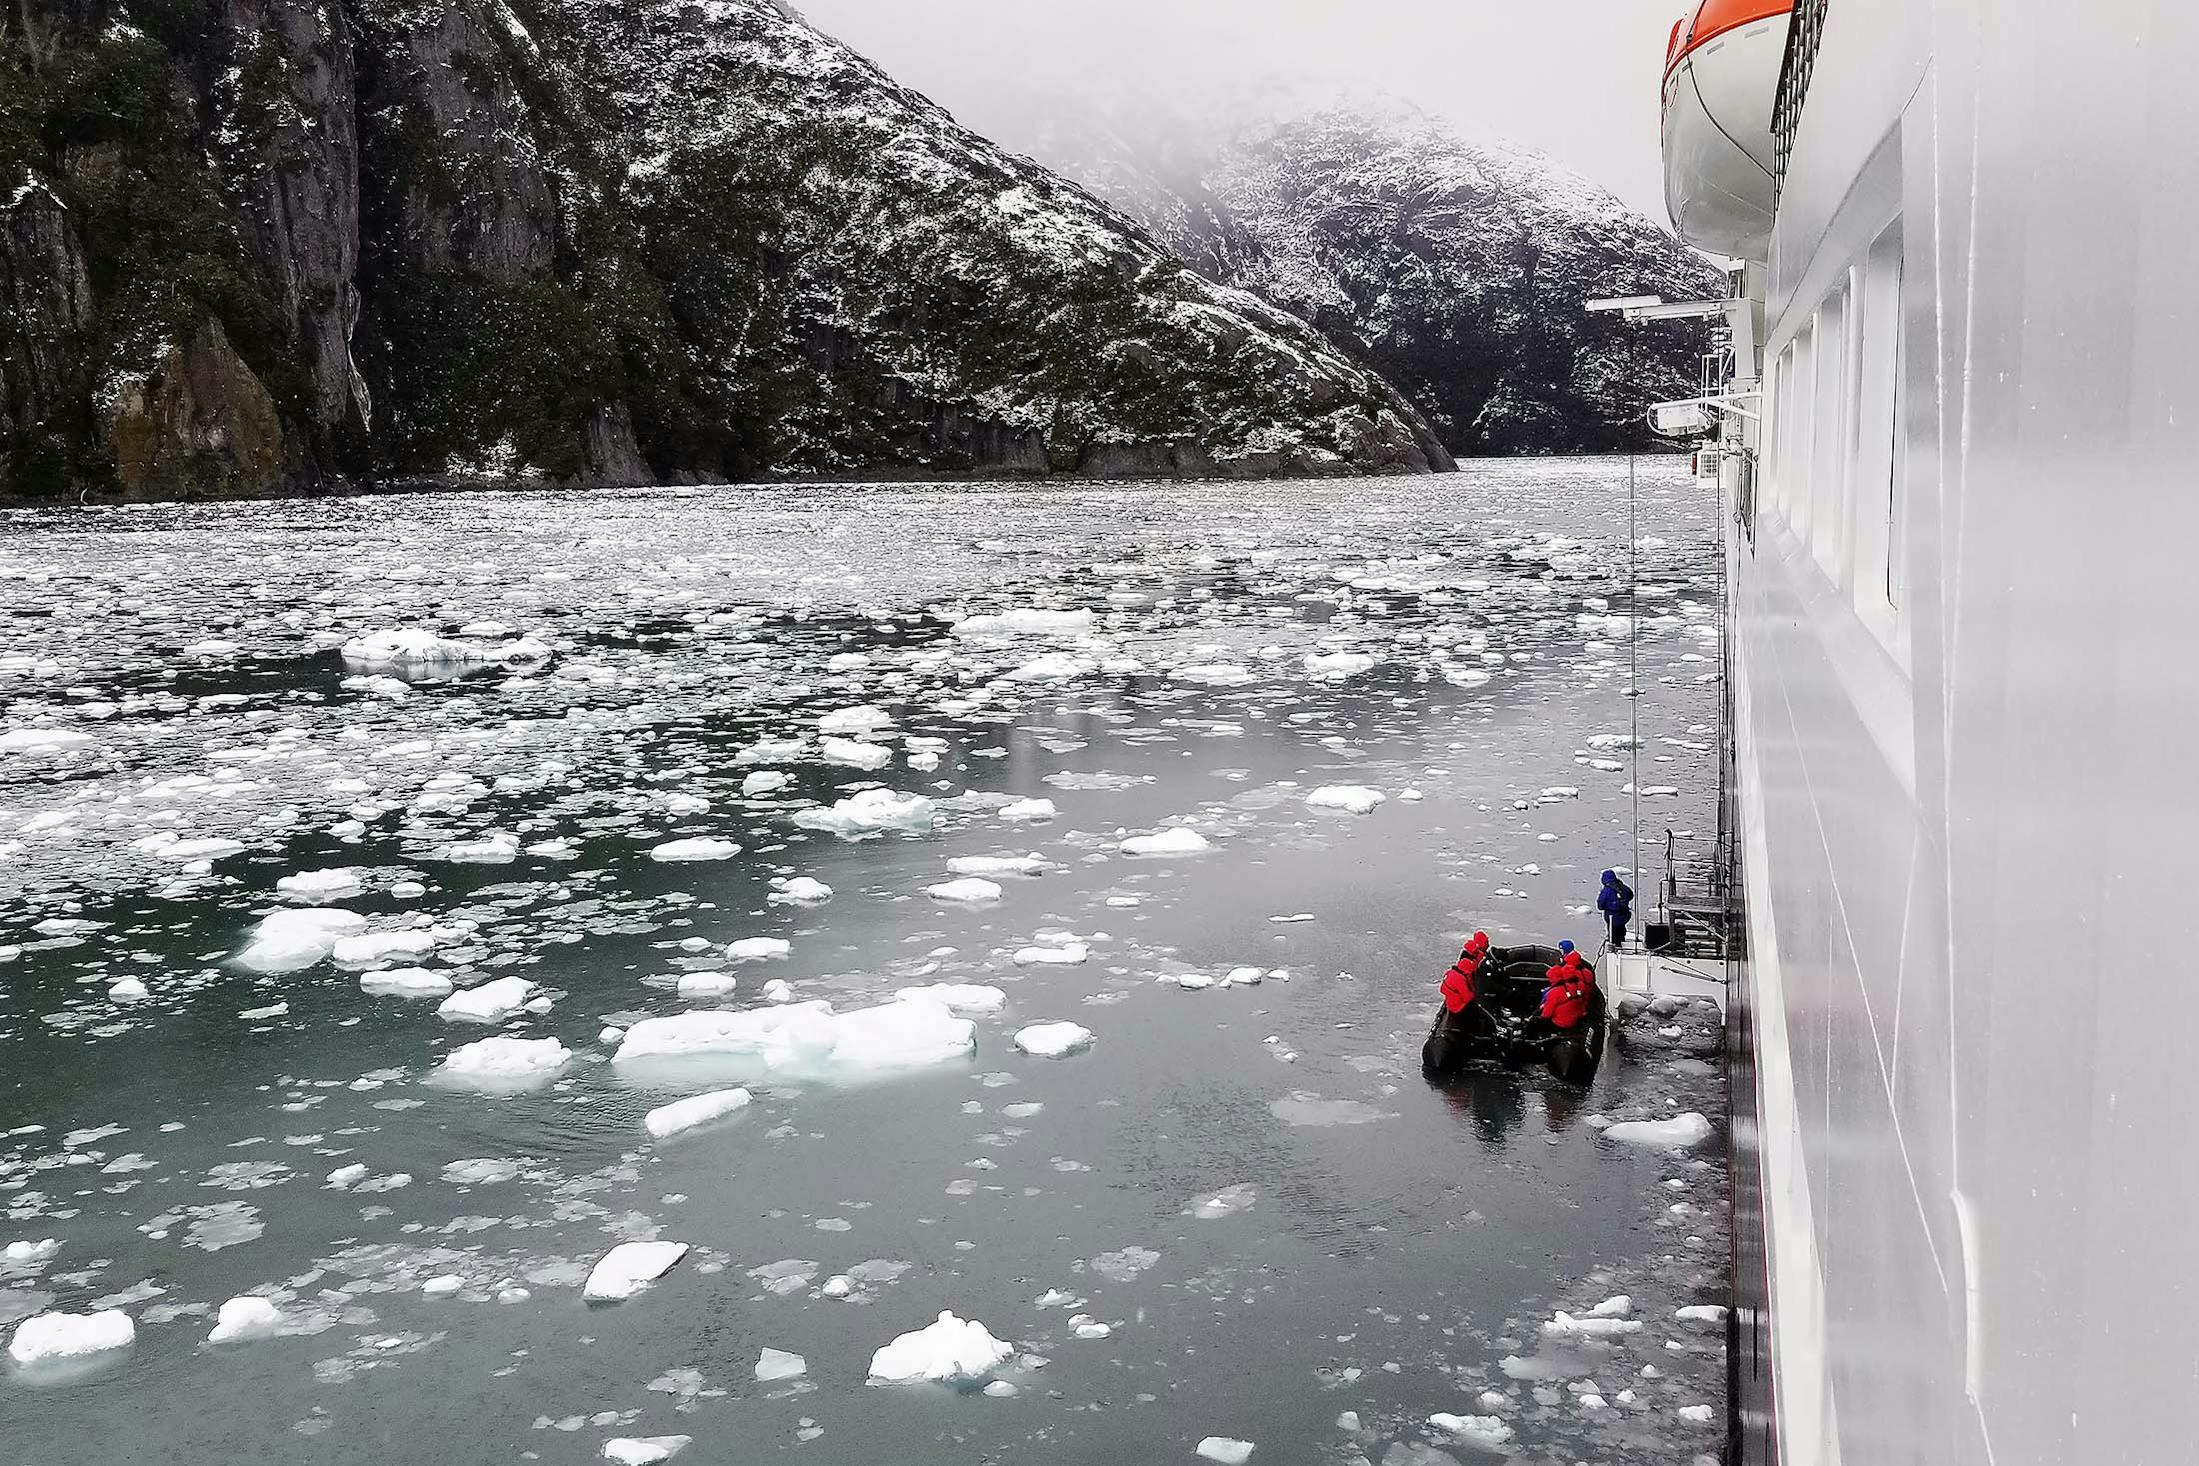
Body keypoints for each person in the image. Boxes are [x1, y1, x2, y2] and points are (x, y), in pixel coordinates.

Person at [1539, 941, 1596, 1031]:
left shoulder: (1559, 989)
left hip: (1562, 1020)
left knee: (1547, 994)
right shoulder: (1587, 972)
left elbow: (1547, 1014)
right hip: (1581, 1007)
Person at [1596, 870, 1635, 949]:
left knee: (1613, 934)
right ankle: (1621, 942)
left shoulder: (1606, 891)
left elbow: (1600, 905)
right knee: (1621, 931)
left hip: (1612, 917)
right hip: (1624, 916)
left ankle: (1615, 947)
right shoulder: (1622, 886)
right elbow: (1631, 895)